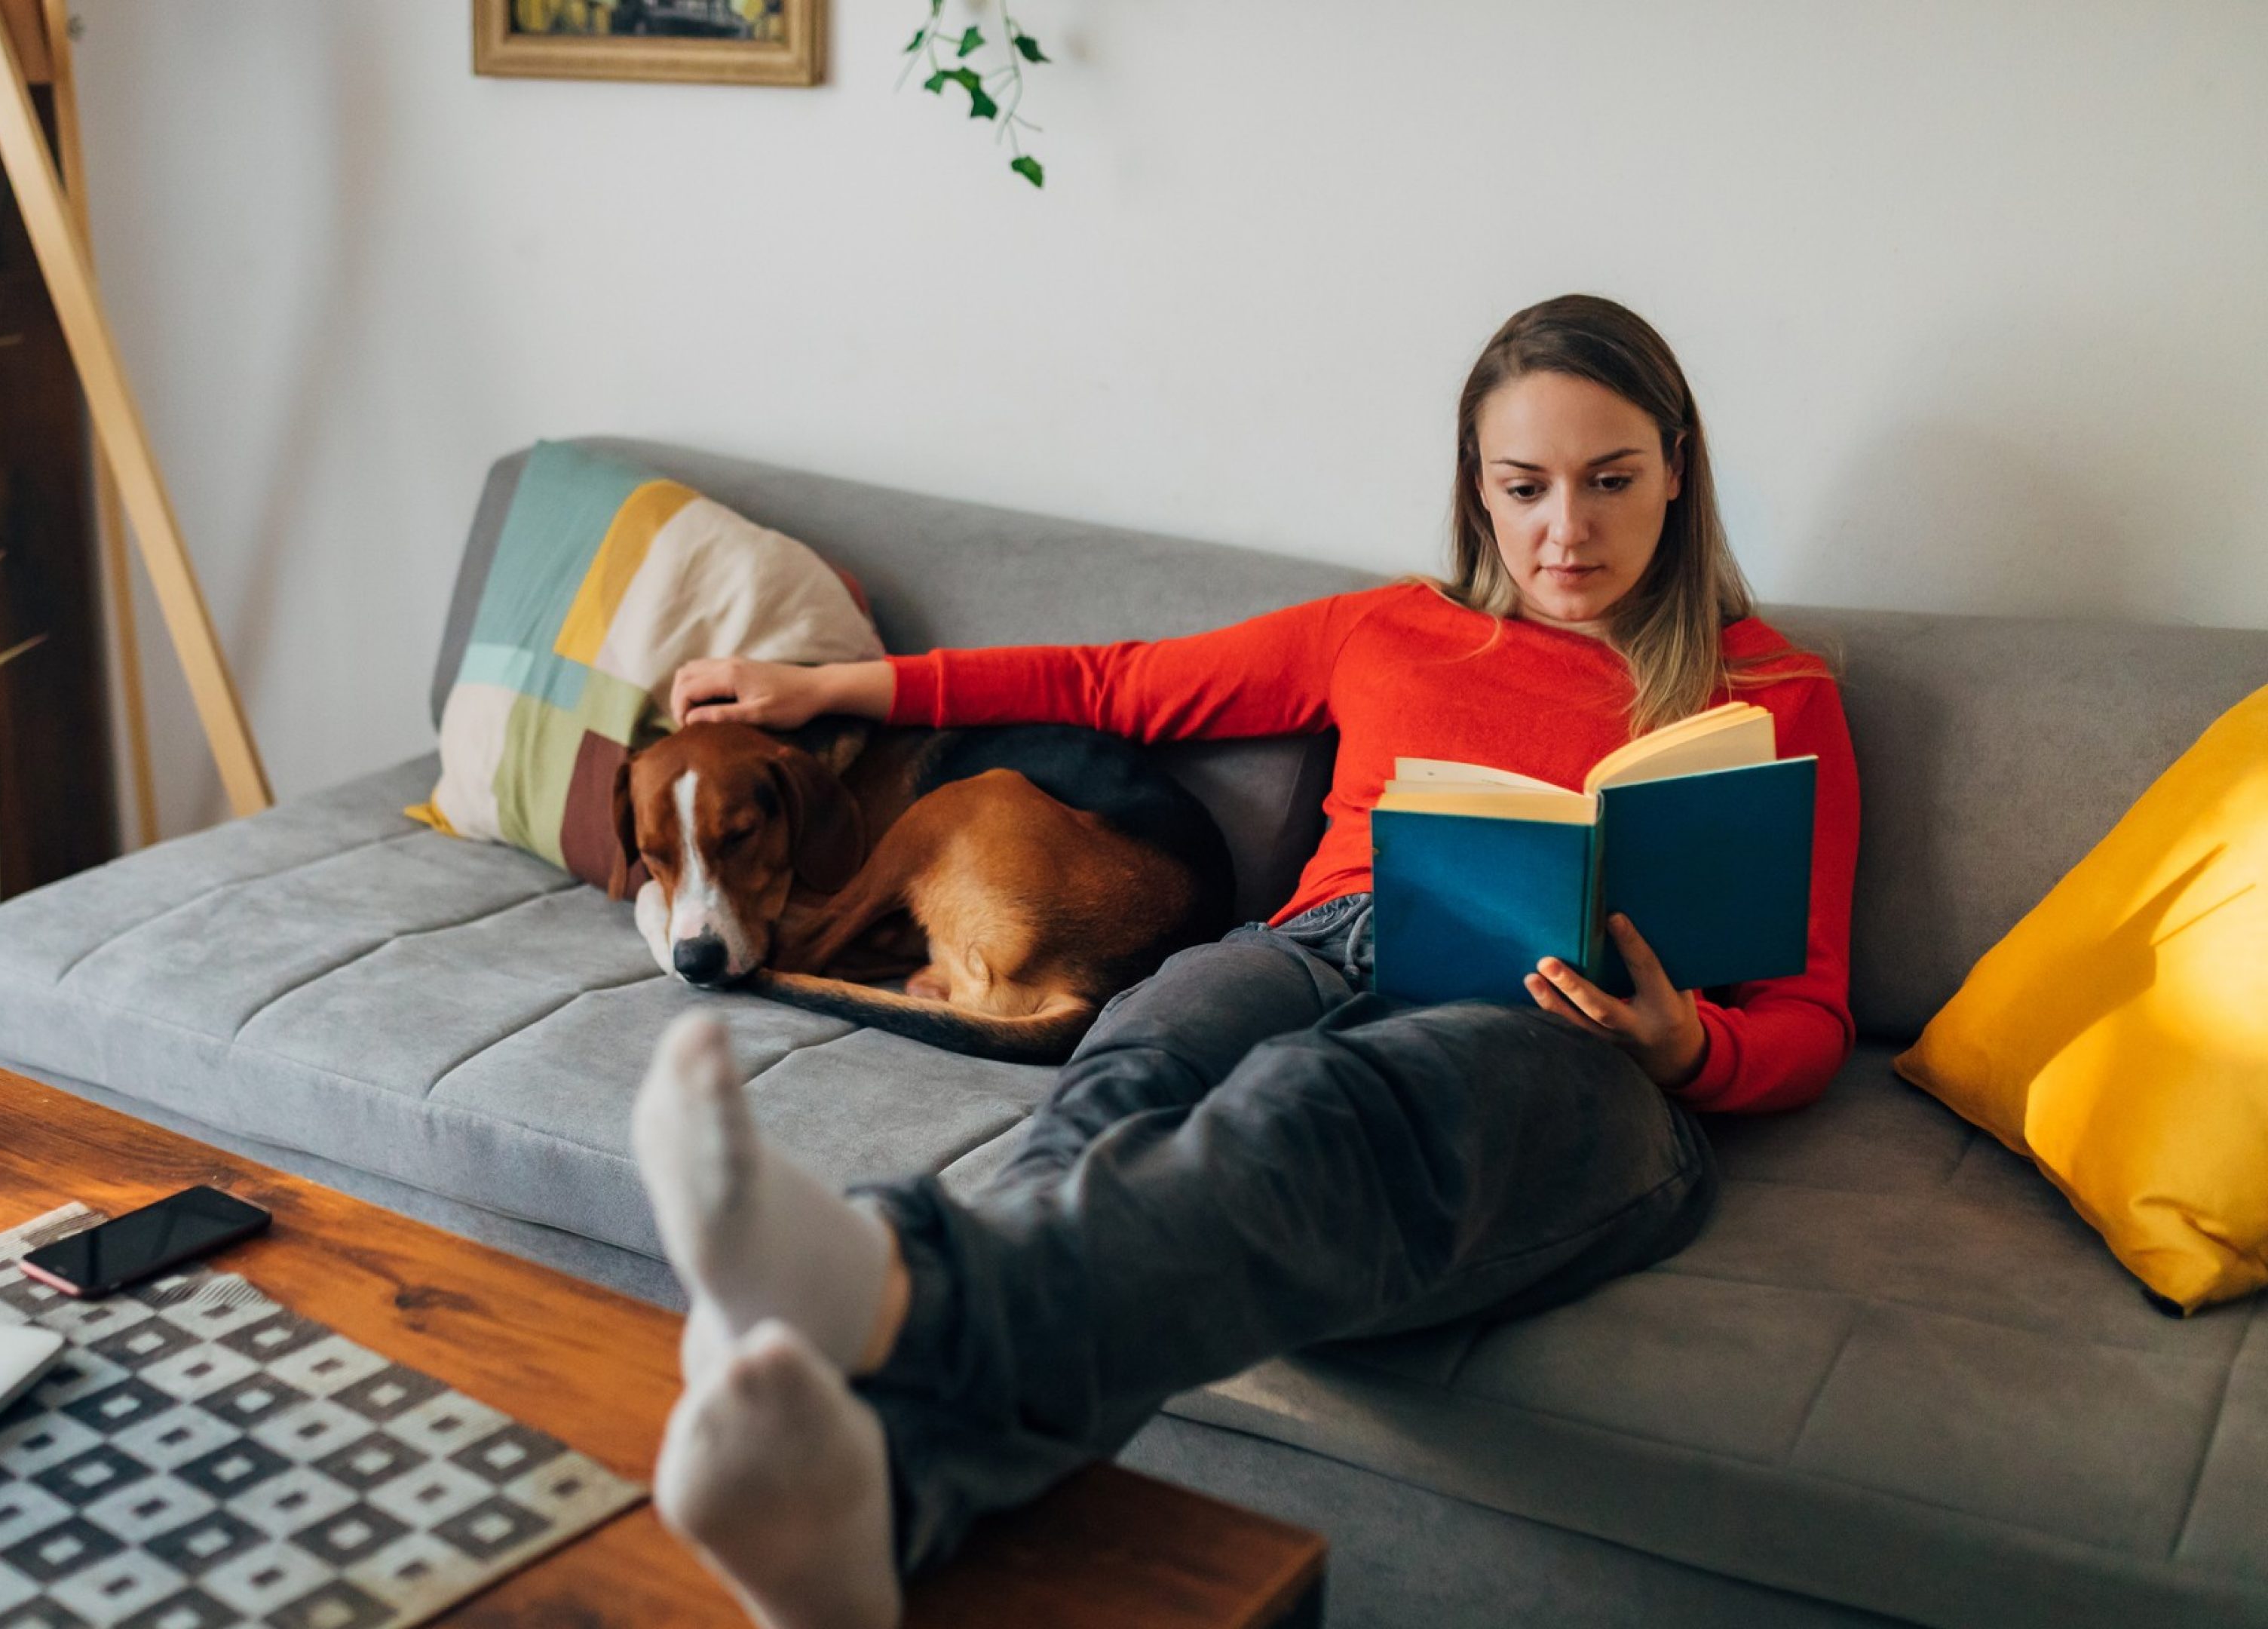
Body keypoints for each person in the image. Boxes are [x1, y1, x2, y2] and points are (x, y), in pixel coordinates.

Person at [632, 293, 1859, 1629]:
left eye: (1612, 481)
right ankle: (888, 1505)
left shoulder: (1777, 699)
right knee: (1148, 1050)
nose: (1568, 530)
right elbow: (1116, 682)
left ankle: (903, 1287)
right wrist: (832, 692)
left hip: (1579, 1048)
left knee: (1313, 1109)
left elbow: (1811, 1016)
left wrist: (1692, 1046)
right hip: (1326, 947)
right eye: (1527, 487)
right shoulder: (1390, 630)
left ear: (1678, 469)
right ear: (1478, 489)